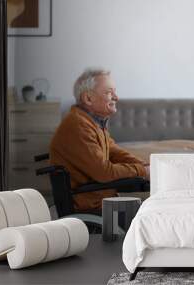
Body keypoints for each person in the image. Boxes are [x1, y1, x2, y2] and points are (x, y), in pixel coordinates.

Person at [50, 68, 149, 211]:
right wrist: (143, 171)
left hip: (100, 198)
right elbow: (105, 172)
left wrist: (146, 166)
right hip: (91, 205)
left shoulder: (92, 122)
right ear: (88, 98)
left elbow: (116, 153)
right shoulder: (78, 125)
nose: (116, 97)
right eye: (109, 92)